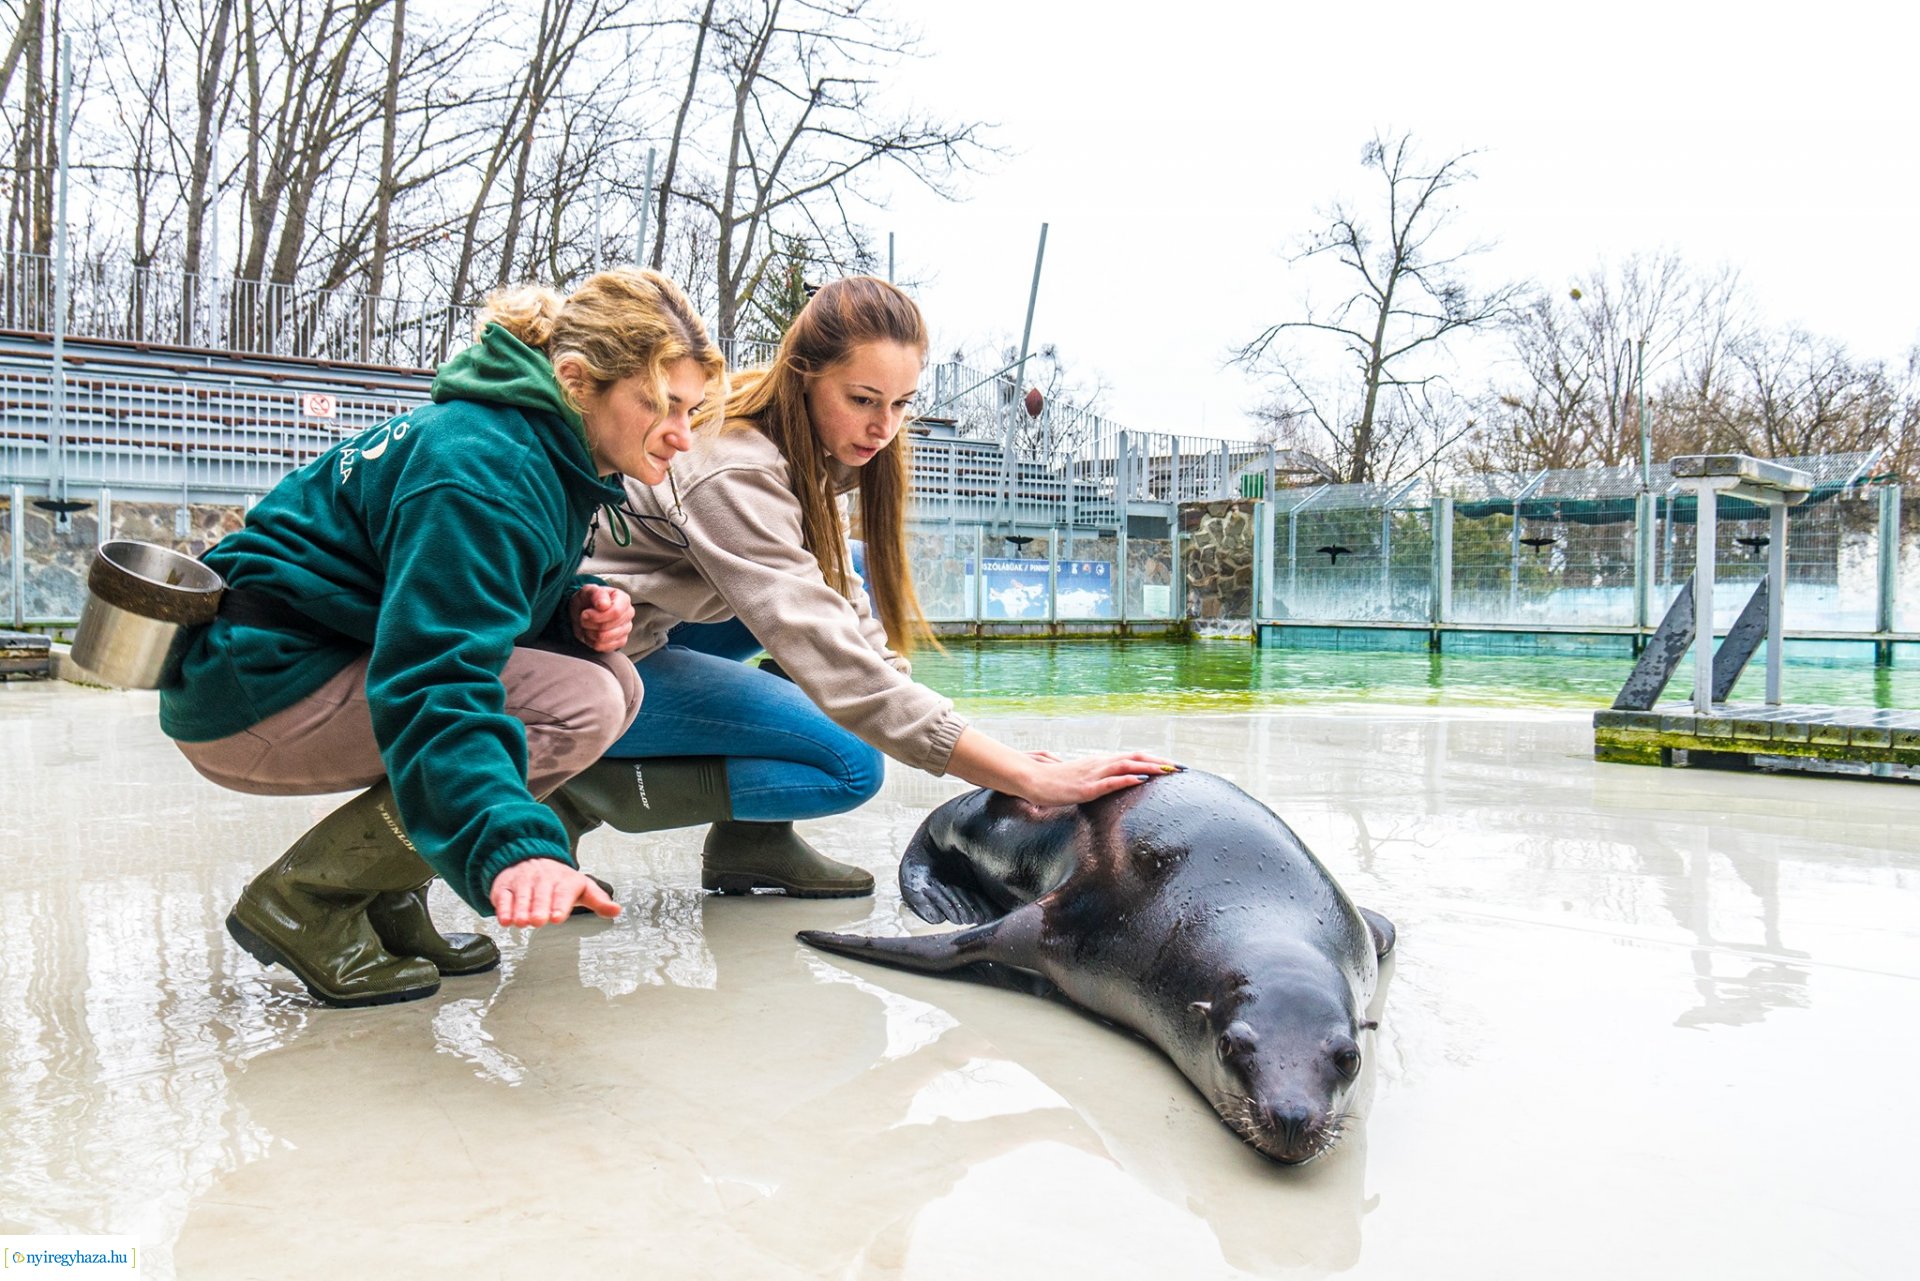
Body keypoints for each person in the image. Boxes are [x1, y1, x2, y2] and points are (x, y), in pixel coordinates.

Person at [159, 268, 726, 1007]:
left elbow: (455, 596)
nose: (682, 435)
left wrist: (572, 609)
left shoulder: (531, 445)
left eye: (690, 408)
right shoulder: (486, 467)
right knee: (584, 700)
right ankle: (308, 901)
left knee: (613, 678)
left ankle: (384, 893)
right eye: (660, 403)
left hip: (301, 658)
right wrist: (514, 845)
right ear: (579, 380)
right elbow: (434, 677)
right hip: (253, 692)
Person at [553, 276, 1176, 896]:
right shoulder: (735, 470)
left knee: (841, 570)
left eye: (901, 404)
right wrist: (1019, 776)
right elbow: (833, 660)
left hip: (640, 618)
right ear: (803, 374)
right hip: (584, 653)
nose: (884, 426)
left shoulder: (803, 451)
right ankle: (580, 791)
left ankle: (752, 843)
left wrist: (989, 750)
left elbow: (848, 623)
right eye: (863, 399)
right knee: (848, 763)